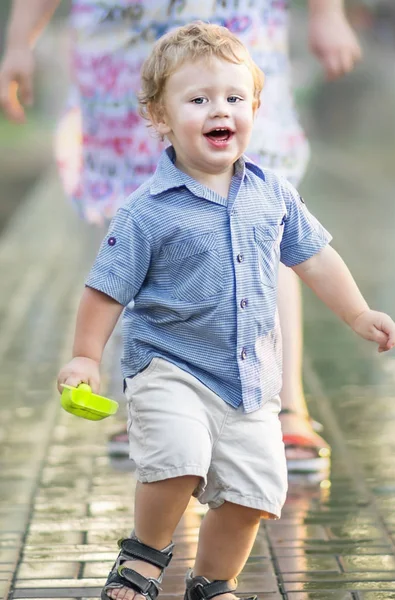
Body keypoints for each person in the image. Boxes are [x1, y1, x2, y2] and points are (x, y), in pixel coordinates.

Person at [56, 22, 395, 600]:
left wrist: (359, 314)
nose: (221, 110)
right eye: (199, 99)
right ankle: (142, 558)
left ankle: (212, 583)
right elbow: (105, 289)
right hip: (169, 369)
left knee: (255, 494)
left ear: (255, 108)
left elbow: (315, 259)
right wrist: (86, 357)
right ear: (159, 116)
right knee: (179, 458)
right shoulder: (146, 210)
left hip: (250, 382)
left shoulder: (274, 194)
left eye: (234, 98)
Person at [0, 0, 362, 473]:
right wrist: (19, 41)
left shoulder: (241, 101)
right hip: (122, 29)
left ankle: (281, 403)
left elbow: (310, 252)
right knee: (132, 211)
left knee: (259, 205)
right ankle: (152, 402)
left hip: (235, 19)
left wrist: (327, 12)